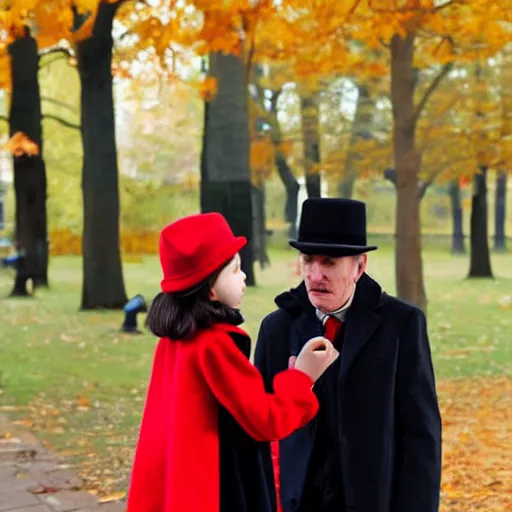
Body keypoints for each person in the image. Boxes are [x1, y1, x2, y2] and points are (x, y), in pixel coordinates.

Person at [126, 212, 339, 512]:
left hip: (180, 487)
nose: (244, 277)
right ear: (211, 287)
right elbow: (264, 419)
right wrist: (302, 377)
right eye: (236, 269)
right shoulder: (215, 346)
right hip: (216, 490)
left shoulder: (174, 340)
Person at [255, 198, 442, 512]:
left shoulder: (402, 325)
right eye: (308, 260)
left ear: (360, 267)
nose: (314, 274)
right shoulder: (277, 329)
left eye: (328, 261)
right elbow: (258, 432)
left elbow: (421, 438)